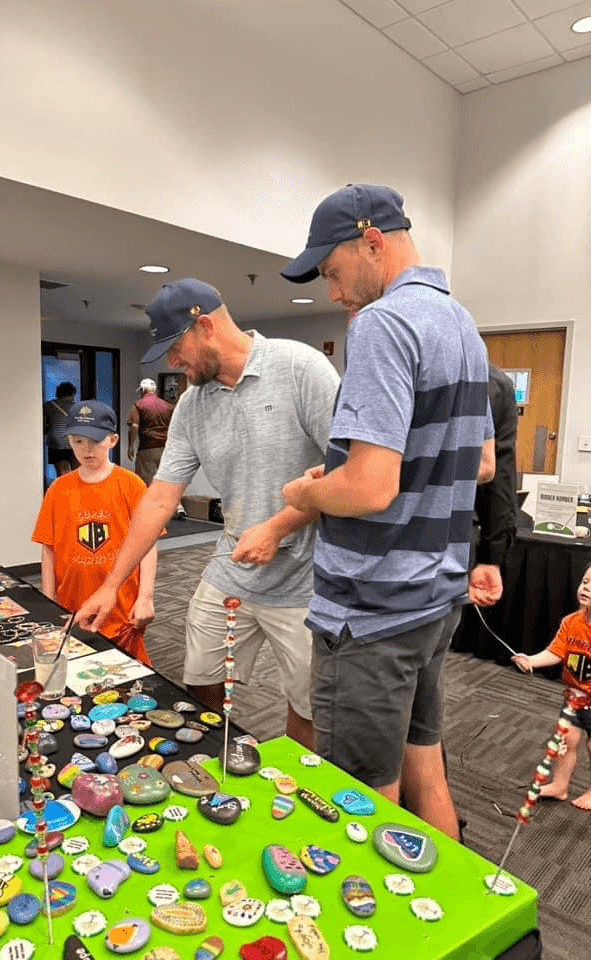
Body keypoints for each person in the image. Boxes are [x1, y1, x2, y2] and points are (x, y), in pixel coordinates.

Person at [280, 183, 494, 838]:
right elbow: (482, 461)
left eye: (332, 271)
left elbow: (371, 488)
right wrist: (352, 476)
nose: (333, 292)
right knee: (426, 771)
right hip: (435, 595)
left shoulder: (382, 323)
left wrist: (308, 493)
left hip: (371, 609)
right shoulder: (461, 323)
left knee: (359, 805)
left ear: (372, 242)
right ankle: (448, 903)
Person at [77, 278, 340, 749]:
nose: (173, 362)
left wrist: (276, 528)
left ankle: (299, 782)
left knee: (307, 706)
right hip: (230, 570)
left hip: (308, 579)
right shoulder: (192, 405)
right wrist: (112, 584)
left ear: (205, 326)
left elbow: (347, 473)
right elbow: (160, 499)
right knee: (198, 684)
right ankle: (211, 769)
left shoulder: (302, 367)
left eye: (175, 348)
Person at [32, 400, 157, 665]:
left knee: (128, 675)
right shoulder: (58, 490)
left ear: (112, 440)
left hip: (122, 609)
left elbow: (147, 546)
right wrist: (48, 603)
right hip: (72, 606)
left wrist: (145, 596)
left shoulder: (131, 485)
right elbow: (48, 549)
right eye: (78, 441)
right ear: (69, 442)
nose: (86, 449)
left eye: (95, 441)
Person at [512, 565, 591, 809]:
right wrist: (531, 660)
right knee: (565, 742)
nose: (586, 587)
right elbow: (556, 651)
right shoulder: (571, 622)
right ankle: (559, 785)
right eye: (585, 581)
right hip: (574, 699)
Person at [468, 363, 518, 607]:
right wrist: (491, 556)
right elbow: (499, 476)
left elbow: (495, 472)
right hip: (453, 544)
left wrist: (492, 554)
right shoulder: (492, 380)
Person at [127, 378, 185, 519]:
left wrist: (130, 446)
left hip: (148, 447)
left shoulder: (139, 405)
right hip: (166, 447)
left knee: (144, 479)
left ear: (143, 391)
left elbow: (134, 426)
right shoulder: (167, 406)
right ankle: (178, 507)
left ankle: (148, 510)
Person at [43, 382, 78, 477]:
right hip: (73, 442)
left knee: (62, 473)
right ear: (73, 393)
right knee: (76, 472)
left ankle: (63, 485)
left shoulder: (49, 406)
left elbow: (45, 423)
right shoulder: (78, 407)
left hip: (56, 441)